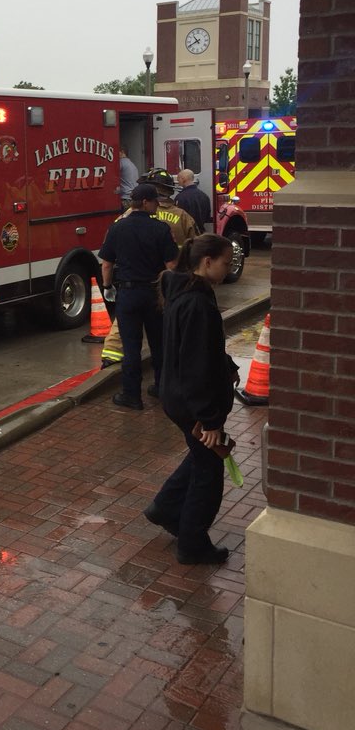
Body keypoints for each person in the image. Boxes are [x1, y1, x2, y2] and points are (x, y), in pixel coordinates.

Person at [144, 234, 239, 565]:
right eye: (226, 263)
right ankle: (193, 543)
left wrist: (226, 366)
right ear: (207, 261)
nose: (230, 269)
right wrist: (210, 419)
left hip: (177, 396)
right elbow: (196, 363)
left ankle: (165, 508)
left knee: (201, 457)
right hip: (191, 402)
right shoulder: (197, 302)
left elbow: (196, 349)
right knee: (209, 471)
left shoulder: (183, 292)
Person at [98, 183, 178, 410]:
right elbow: (171, 265)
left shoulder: (117, 228)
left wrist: (107, 287)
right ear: (145, 202)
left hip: (128, 293)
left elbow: (106, 263)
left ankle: (132, 395)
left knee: (131, 347)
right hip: (154, 294)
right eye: (154, 201)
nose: (157, 205)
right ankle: (161, 388)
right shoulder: (161, 229)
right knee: (159, 344)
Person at [175, 168, 212, 234]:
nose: (178, 182)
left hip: (187, 235)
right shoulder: (205, 196)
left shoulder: (180, 197)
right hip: (201, 234)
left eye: (178, 179)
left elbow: (177, 218)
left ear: (183, 179)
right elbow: (207, 218)